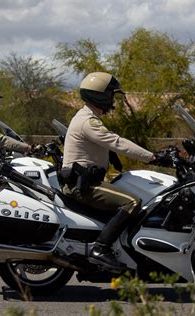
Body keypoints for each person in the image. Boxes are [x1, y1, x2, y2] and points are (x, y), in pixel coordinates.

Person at [61, 72, 157, 271]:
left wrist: (110, 156)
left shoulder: (86, 117)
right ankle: (101, 248)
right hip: (83, 186)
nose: (112, 99)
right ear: (100, 95)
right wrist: (152, 157)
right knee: (132, 202)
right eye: (111, 95)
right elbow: (117, 141)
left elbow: (101, 144)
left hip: (83, 182)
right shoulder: (89, 121)